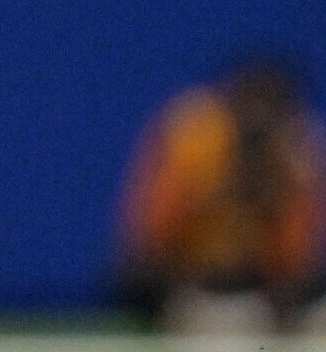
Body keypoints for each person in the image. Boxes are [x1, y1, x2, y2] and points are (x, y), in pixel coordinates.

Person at [115, 58, 326, 335]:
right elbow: (150, 242)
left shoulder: (297, 152)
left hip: (258, 291)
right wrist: (214, 192)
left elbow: (295, 264)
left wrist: (274, 200)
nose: (257, 122)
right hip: (188, 286)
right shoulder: (196, 138)